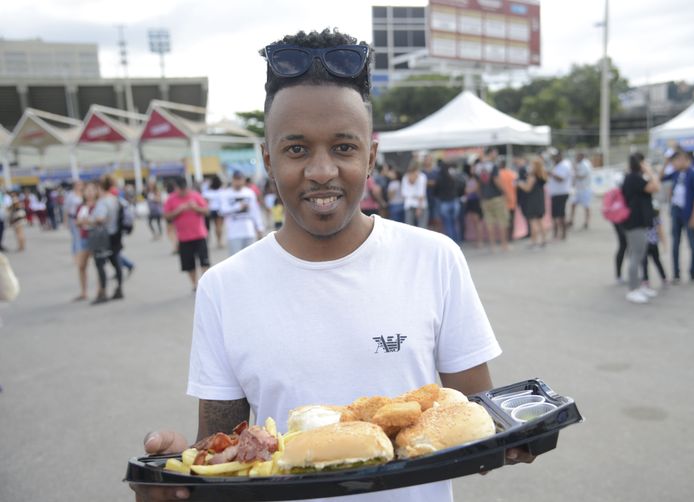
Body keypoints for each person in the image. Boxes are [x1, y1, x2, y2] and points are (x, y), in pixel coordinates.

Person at [133, 28, 532, 502]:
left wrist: (508, 439)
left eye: (343, 147)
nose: (321, 170)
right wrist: (179, 480)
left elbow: (471, 420)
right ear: (267, 159)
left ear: (371, 156)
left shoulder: (434, 258)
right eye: (296, 149)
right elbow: (220, 452)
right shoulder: (224, 287)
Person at [621, 153, 660, 304]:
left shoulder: (634, 177)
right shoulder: (634, 178)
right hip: (634, 223)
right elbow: (656, 186)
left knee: (640, 254)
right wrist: (650, 171)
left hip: (639, 222)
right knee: (636, 255)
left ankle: (639, 285)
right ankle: (633, 289)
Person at [663, 149, 694, 284]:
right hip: (676, 211)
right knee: (675, 243)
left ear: (686, 160)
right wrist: (666, 163)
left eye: (678, 160)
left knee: (692, 243)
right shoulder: (675, 173)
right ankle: (676, 273)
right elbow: (661, 178)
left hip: (688, 212)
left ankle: (692, 272)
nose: (676, 162)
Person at [163, 177, 210, 290]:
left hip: (199, 234)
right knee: (189, 264)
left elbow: (206, 211)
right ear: (176, 188)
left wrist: (196, 208)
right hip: (183, 238)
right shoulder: (171, 199)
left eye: (185, 189)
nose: (184, 192)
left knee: (204, 261)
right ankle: (195, 285)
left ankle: (206, 284)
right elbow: (166, 216)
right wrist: (178, 210)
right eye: (181, 190)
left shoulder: (195, 196)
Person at [89, 176, 124, 305]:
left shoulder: (103, 201)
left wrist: (88, 220)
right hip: (116, 235)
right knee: (116, 263)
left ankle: (102, 292)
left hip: (103, 237)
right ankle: (119, 289)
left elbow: (100, 218)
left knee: (100, 265)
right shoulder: (115, 199)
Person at [221, 171, 265, 256]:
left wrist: (259, 227)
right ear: (232, 180)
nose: (238, 182)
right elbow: (223, 211)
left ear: (243, 180)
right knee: (235, 261)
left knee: (251, 259)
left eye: (240, 179)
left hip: (249, 231)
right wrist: (237, 207)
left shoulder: (249, 192)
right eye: (236, 179)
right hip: (234, 234)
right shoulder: (226, 193)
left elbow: (255, 211)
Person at [477, 151, 508, 252]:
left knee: (489, 223)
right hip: (496, 197)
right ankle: (504, 245)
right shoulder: (493, 166)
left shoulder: (478, 168)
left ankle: (493, 246)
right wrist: (504, 191)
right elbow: (496, 180)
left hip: (485, 198)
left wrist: (481, 195)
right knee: (501, 221)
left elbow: (478, 184)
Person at [72, 182, 98, 301]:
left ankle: (100, 289)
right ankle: (84, 291)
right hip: (84, 237)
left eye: (92, 190)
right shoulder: (81, 206)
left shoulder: (98, 205)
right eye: (87, 190)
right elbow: (77, 222)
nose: (89, 193)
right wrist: (84, 221)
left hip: (96, 237)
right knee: (81, 265)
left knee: (98, 265)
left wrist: (86, 221)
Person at [518, 157, 548, 249]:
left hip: (532, 202)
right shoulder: (541, 176)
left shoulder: (532, 176)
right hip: (539, 201)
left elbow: (527, 188)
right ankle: (543, 240)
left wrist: (520, 184)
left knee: (533, 223)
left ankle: (534, 241)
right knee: (540, 221)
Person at [434, 160, 461, 243]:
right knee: (454, 222)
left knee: (447, 223)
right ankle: (457, 240)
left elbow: (436, 192)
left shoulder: (439, 178)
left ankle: (451, 241)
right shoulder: (452, 177)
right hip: (454, 201)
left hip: (444, 203)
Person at [642, 202, 668, 288]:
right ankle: (663, 278)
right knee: (657, 261)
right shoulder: (656, 219)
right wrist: (664, 244)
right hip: (653, 244)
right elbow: (661, 232)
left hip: (646, 244)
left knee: (645, 263)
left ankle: (646, 280)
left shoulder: (643, 218)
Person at [548, 151, 572, 240]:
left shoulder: (564, 165)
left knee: (561, 215)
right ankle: (556, 234)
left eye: (554, 157)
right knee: (555, 215)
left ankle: (563, 234)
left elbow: (561, 178)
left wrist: (551, 174)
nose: (553, 159)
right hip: (556, 193)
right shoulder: (558, 165)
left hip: (561, 193)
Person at [569, 152, 592, 229]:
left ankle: (587, 221)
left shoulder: (586, 164)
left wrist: (574, 172)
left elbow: (582, 176)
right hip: (577, 189)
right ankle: (571, 220)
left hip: (585, 189)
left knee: (586, 206)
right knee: (573, 204)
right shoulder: (577, 164)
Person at [401, 160, 428, 228]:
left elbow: (404, 194)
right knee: (422, 228)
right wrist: (419, 207)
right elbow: (421, 194)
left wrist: (410, 195)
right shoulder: (422, 177)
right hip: (420, 205)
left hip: (410, 204)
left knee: (410, 228)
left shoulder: (405, 177)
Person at [463, 162, 484, 247]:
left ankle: (480, 241)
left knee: (477, 222)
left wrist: (468, 191)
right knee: (474, 222)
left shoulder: (477, 179)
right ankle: (478, 240)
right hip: (471, 201)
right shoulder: (470, 178)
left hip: (476, 201)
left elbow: (476, 189)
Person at [202, 175, 225, 248]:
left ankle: (207, 241)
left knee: (207, 228)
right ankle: (219, 241)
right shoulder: (222, 191)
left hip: (209, 211)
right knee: (218, 227)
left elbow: (204, 201)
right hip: (219, 210)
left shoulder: (207, 192)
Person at [497, 160, 517, 242]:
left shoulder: (498, 174)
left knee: (503, 220)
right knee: (511, 220)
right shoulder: (512, 174)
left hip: (502, 200)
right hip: (512, 199)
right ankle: (510, 236)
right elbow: (515, 185)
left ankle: (504, 238)